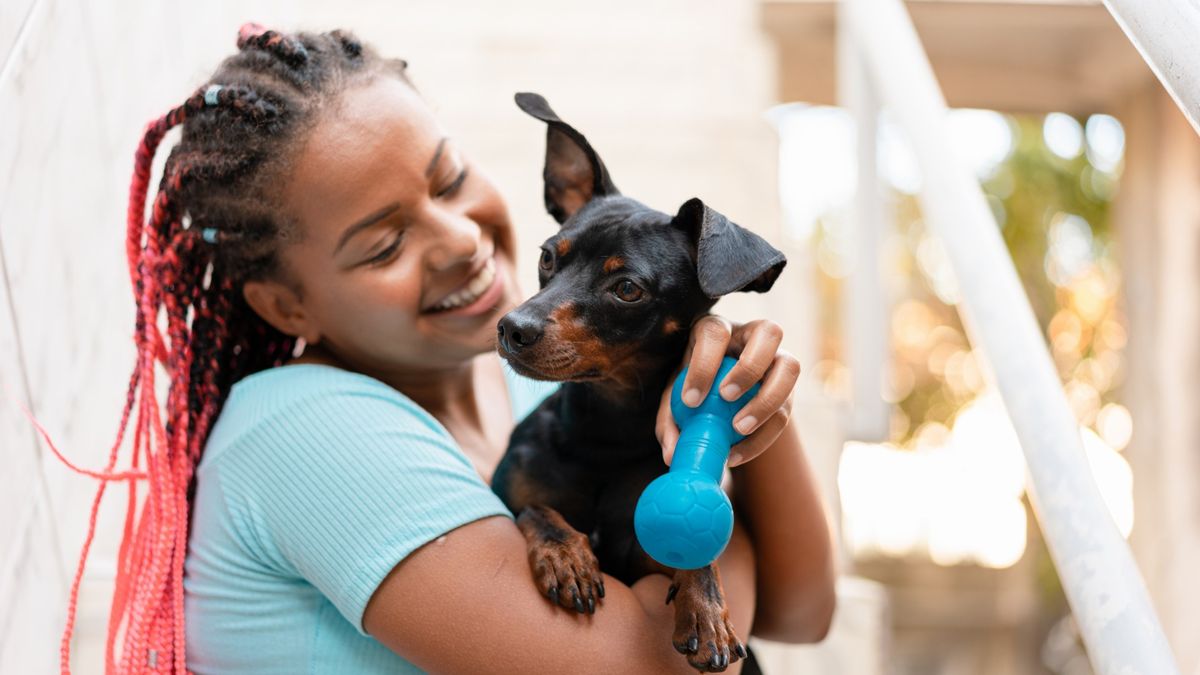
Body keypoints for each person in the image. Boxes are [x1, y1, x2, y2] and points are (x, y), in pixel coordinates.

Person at [62, 24, 835, 674]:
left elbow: (805, 611)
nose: (462, 239)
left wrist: (731, 400)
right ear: (285, 303)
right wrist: (699, 550)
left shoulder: (545, 389)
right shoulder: (305, 433)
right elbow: (668, 670)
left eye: (451, 178)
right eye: (385, 243)